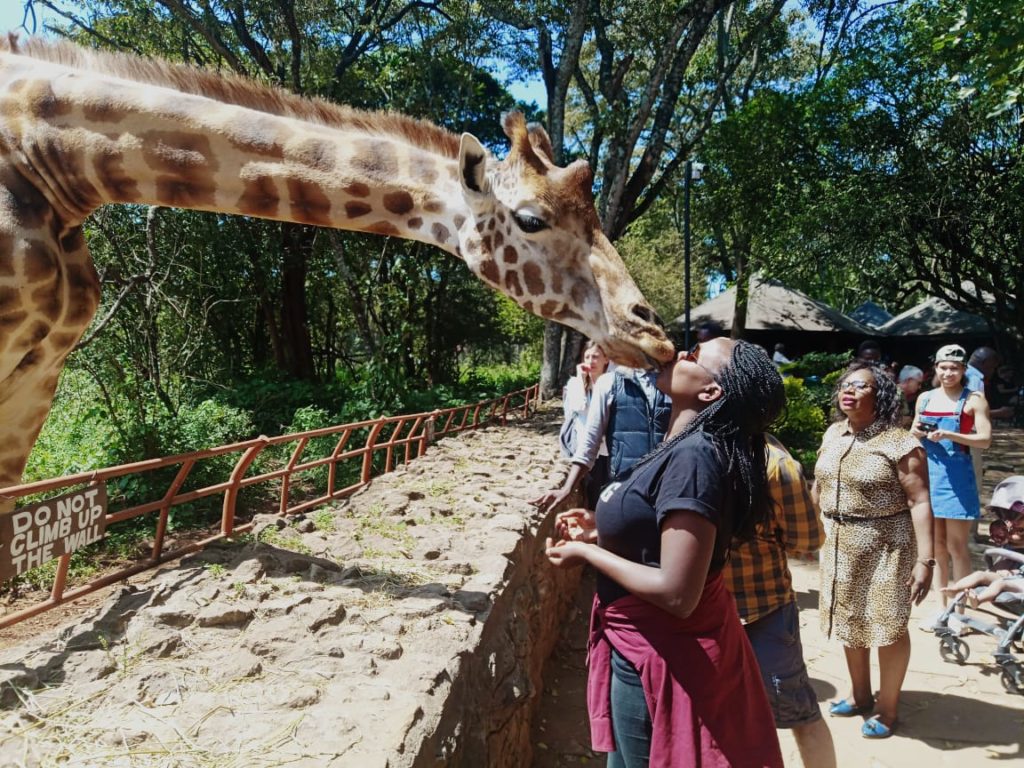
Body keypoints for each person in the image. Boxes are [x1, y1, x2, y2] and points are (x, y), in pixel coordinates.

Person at [545, 338, 786, 767]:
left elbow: (677, 593)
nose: (677, 352)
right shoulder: (680, 443)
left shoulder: (694, 457)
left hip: (659, 654)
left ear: (710, 392)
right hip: (644, 649)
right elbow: (661, 537)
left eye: (694, 355)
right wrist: (604, 531)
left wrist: (587, 555)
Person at [814, 361, 934, 739]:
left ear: (879, 395)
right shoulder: (834, 433)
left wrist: (925, 560)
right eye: (844, 385)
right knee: (848, 620)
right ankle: (861, 694)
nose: (848, 390)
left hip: (887, 546)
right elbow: (819, 485)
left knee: (887, 626)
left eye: (860, 386)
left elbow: (920, 502)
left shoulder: (900, 442)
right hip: (838, 544)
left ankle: (887, 708)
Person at [725, 435, 836, 768]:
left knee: (794, 713)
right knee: (795, 713)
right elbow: (806, 539)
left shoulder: (774, 464)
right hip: (752, 610)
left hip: (751, 612)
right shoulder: (775, 461)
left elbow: (809, 540)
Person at [910, 344, 992, 610]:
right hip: (929, 475)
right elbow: (913, 430)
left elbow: (984, 440)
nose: (948, 373)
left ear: (963, 370)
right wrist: (920, 433)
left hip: (957, 476)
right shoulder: (925, 399)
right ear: (935, 368)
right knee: (937, 548)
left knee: (958, 547)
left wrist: (949, 435)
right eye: (943, 367)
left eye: (954, 368)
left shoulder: (973, 399)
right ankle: (942, 608)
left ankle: (962, 609)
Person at [534, 365, 670, 513]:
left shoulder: (676, 379)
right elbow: (590, 441)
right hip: (625, 487)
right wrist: (567, 488)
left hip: (667, 488)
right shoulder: (610, 382)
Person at [560, 342, 611, 508]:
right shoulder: (574, 384)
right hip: (586, 450)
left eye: (595, 356)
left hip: (609, 449)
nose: (591, 361)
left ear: (606, 359)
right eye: (587, 357)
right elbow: (578, 408)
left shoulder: (612, 384)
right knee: (592, 494)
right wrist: (582, 381)